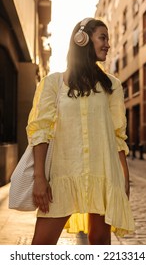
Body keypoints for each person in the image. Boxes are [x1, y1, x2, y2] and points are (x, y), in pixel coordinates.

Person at [26, 17, 135, 245]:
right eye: (102, 37)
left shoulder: (112, 86)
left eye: (108, 39)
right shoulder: (53, 83)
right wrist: (39, 178)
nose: (108, 44)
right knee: (40, 245)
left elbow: (117, 136)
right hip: (63, 176)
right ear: (82, 38)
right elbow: (40, 131)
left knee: (100, 242)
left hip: (103, 174)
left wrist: (123, 180)